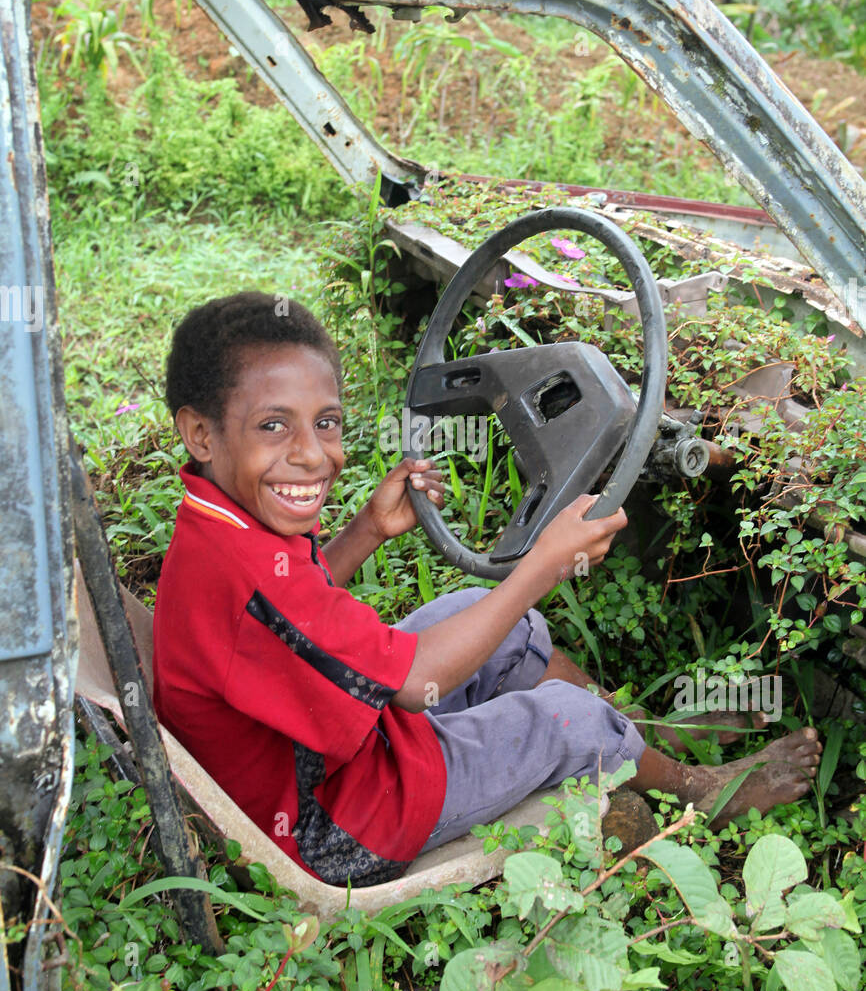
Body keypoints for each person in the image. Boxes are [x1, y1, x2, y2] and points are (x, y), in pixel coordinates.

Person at [153, 291, 822, 888]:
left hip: (323, 752)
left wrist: (364, 532)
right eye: (274, 425)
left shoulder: (218, 526)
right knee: (566, 717)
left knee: (499, 622)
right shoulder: (239, 566)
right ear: (201, 433)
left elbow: (286, 623)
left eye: (325, 422)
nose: (310, 453)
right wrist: (544, 566)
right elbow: (415, 683)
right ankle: (700, 789)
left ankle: (647, 736)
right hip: (338, 819)